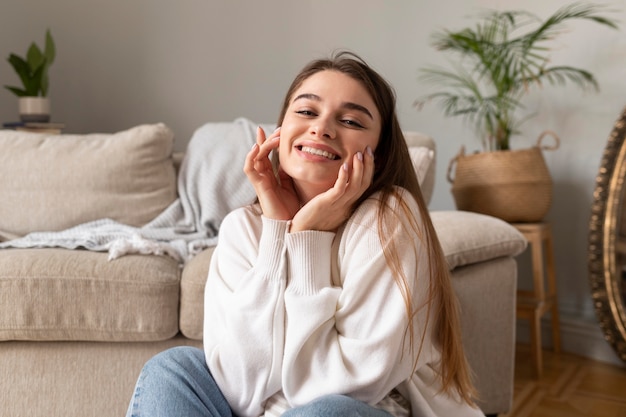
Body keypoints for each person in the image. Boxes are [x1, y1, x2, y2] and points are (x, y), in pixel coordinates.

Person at [126, 51, 483, 417]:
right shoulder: (243, 228)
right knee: (171, 370)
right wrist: (277, 235)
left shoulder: (389, 217)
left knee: (324, 414)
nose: (322, 127)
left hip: (363, 411)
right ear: (281, 130)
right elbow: (235, 388)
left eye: (350, 121)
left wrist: (310, 236)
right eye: (307, 112)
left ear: (379, 149)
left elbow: (347, 390)